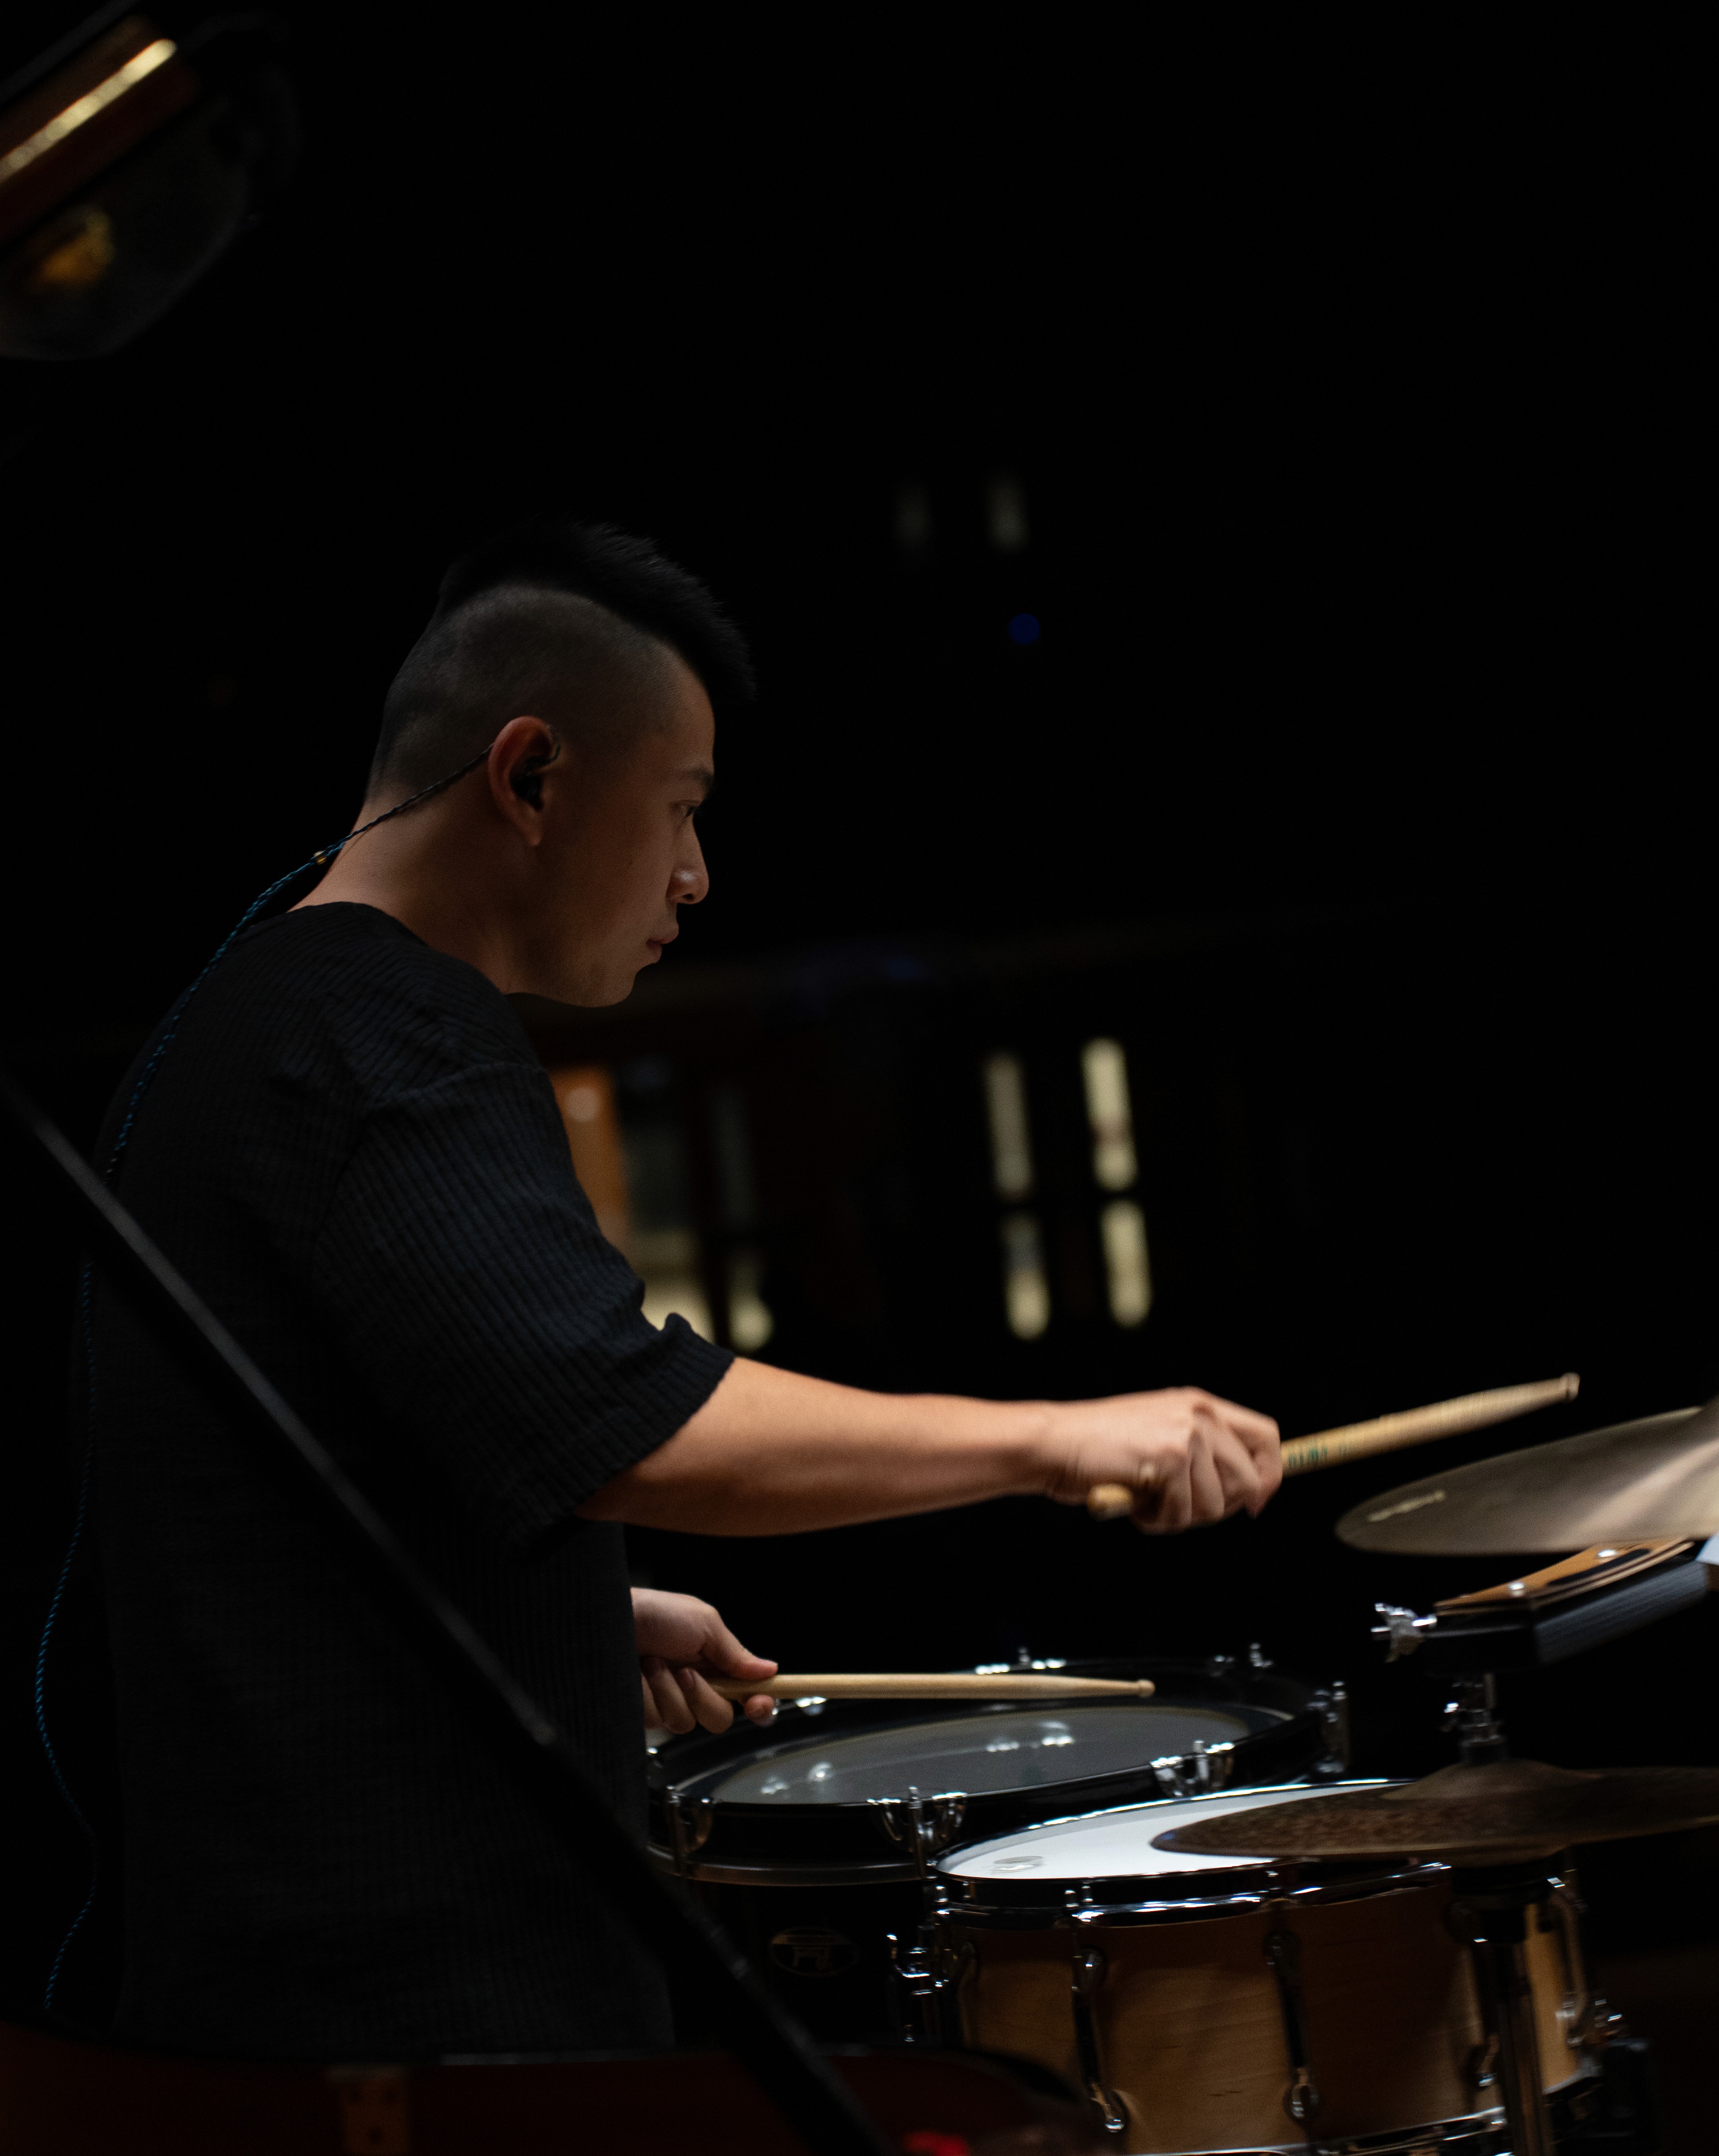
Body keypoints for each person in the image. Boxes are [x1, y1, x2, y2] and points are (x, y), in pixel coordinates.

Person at [56, 518, 1281, 2067]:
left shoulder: (246, 1013)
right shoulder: (384, 1035)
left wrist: (557, 1610)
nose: (697, 875)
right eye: (684, 808)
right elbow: (628, 1421)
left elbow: (272, 1503)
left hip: (279, 1981)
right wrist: (1059, 1438)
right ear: (532, 776)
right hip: (409, 2016)